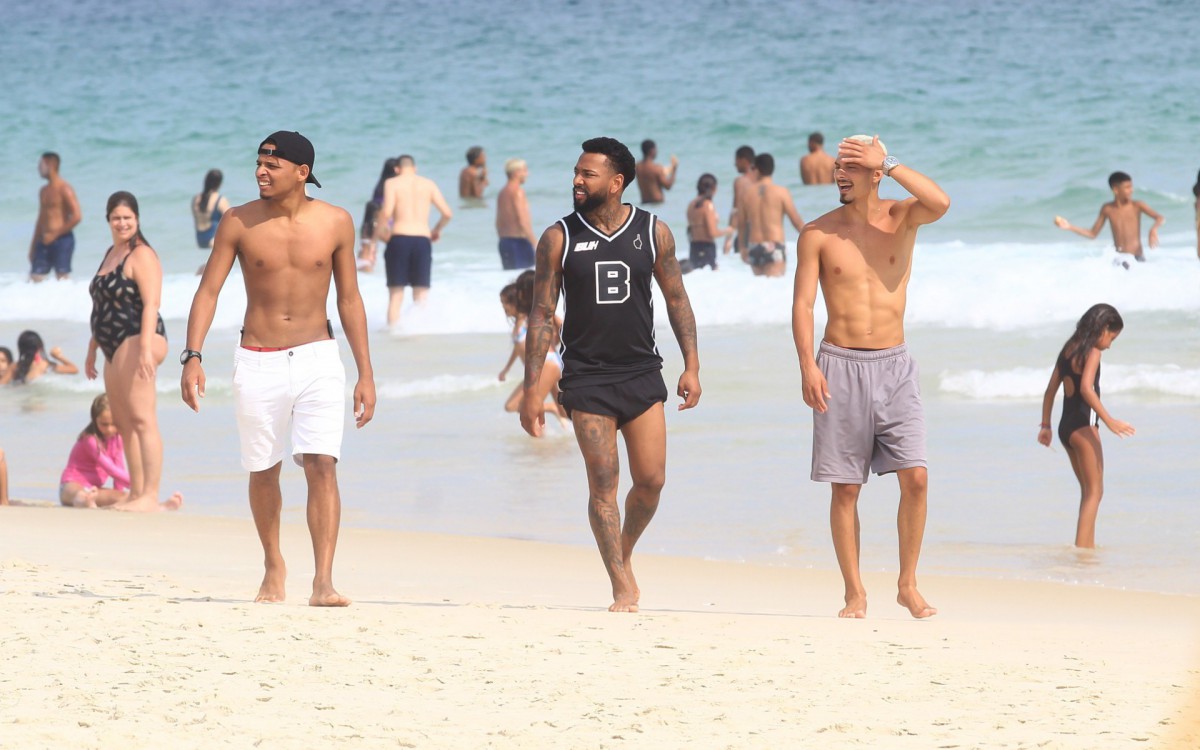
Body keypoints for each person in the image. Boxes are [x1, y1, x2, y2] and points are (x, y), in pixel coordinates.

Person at [181, 130, 376, 607]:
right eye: (259, 164)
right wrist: (192, 355)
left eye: (272, 166)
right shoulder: (238, 222)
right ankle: (273, 563)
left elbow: (349, 298)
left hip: (318, 357)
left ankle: (323, 581)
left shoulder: (336, 223)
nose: (260, 172)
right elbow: (209, 291)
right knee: (263, 468)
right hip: (258, 358)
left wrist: (366, 373)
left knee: (322, 464)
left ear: (302, 172)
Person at [521, 137, 701, 612]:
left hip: (642, 373)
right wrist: (531, 387)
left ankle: (621, 550)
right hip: (586, 379)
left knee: (652, 481)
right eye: (576, 173)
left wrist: (693, 366)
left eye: (588, 174)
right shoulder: (559, 237)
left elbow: (677, 299)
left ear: (617, 182)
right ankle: (621, 583)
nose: (577, 181)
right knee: (603, 482)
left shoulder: (652, 230)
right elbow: (541, 314)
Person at [792, 134, 950, 619]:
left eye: (853, 167)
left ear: (876, 173)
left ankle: (907, 584)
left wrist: (891, 160)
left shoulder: (902, 218)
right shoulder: (817, 233)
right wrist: (807, 365)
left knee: (917, 478)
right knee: (846, 487)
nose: (841, 174)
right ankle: (854, 592)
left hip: (894, 366)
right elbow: (802, 304)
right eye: (839, 166)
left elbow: (940, 202)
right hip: (838, 365)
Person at [84, 191, 181, 513]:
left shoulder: (142, 255)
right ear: (108, 220)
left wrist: (143, 350)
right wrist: (92, 348)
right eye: (116, 217)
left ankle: (150, 496)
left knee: (142, 418)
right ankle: (135, 492)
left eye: (127, 217)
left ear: (137, 220)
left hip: (139, 336)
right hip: (112, 344)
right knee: (123, 421)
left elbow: (152, 303)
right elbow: (101, 305)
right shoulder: (111, 252)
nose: (122, 222)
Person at [1037, 304, 1133, 548]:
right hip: (1084, 428)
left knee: (1088, 491)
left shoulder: (1068, 349)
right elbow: (1086, 389)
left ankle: (1086, 547)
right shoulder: (1093, 352)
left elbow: (1050, 391)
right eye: (1111, 337)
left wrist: (1045, 425)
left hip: (1065, 429)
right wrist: (1110, 422)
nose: (1110, 344)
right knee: (1095, 492)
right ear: (1102, 328)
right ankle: (1082, 552)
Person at [376, 154, 453, 328]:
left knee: (396, 295)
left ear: (397, 169)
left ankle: (393, 336)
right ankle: (420, 335)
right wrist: (435, 231)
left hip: (399, 238)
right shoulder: (428, 184)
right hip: (422, 240)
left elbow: (386, 212)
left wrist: (379, 234)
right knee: (421, 295)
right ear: (415, 168)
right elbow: (447, 213)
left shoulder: (391, 183)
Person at [498, 273, 567, 425]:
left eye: (504, 303)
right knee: (566, 412)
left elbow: (563, 330)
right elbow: (519, 348)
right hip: (537, 368)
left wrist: (557, 346)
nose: (503, 306)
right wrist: (506, 369)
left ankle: (541, 443)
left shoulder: (537, 313)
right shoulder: (521, 320)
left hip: (547, 365)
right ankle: (544, 443)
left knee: (520, 407)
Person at [1054, 171, 1164, 267]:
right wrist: (1069, 226)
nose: (1131, 190)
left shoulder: (1137, 205)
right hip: (1119, 258)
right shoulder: (1107, 209)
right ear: (1116, 189)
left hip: (1137, 258)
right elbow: (1092, 233)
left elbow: (1160, 218)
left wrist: (1153, 229)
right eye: (1127, 187)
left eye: (1131, 186)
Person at [59, 393, 132, 508]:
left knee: (125, 497)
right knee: (80, 494)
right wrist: (137, 484)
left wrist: (118, 495)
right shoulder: (90, 440)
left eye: (114, 424)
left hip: (94, 489)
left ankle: (90, 501)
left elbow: (119, 468)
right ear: (94, 420)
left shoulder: (118, 438)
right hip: (72, 485)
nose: (109, 429)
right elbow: (111, 470)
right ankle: (85, 502)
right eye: (104, 424)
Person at [747, 153, 803, 278]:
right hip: (774, 245)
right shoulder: (781, 192)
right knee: (772, 289)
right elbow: (796, 221)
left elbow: (741, 224)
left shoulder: (747, 193)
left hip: (754, 246)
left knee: (759, 289)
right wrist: (811, 239)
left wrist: (742, 247)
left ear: (757, 169)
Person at [29, 152, 82, 282]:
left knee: (62, 279)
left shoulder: (65, 189)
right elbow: (41, 219)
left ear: (51, 165)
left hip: (62, 240)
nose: (38, 168)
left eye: (41, 164)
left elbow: (77, 216)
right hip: (43, 240)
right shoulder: (43, 190)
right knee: (35, 279)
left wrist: (54, 234)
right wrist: (33, 245)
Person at [357, 158, 399, 272]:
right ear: (396, 169)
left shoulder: (380, 184)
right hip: (384, 219)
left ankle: (366, 269)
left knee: (369, 245)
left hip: (373, 217)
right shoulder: (392, 185)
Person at [685, 173, 734, 271]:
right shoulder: (708, 205)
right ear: (714, 189)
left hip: (693, 248)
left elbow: (691, 229)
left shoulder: (691, 205)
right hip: (707, 249)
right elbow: (712, 233)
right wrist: (728, 231)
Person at [496, 158, 537, 270]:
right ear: (516, 172)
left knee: (512, 282)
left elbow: (498, 222)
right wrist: (536, 244)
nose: (527, 174)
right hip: (519, 244)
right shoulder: (518, 192)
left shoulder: (502, 192)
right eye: (525, 170)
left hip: (504, 243)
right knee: (526, 283)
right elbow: (522, 221)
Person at [192, 169, 231, 274]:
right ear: (219, 183)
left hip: (200, 239)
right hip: (212, 239)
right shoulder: (220, 199)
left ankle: (204, 269)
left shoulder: (196, 199)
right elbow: (231, 220)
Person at [11, 330, 78, 383]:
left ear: (20, 348)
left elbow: (2, 385)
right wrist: (57, 356)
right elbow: (74, 369)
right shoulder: (45, 365)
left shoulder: (15, 366)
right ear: (40, 347)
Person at [728, 145, 757, 259]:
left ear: (744, 160)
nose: (735, 164)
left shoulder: (740, 181)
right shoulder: (762, 179)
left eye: (737, 160)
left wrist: (728, 239)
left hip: (747, 232)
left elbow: (736, 210)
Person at [634, 139, 678, 205]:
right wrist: (674, 169)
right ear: (652, 151)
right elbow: (668, 186)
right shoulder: (656, 168)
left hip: (644, 204)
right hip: (657, 204)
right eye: (656, 149)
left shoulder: (637, 167)